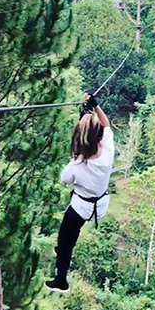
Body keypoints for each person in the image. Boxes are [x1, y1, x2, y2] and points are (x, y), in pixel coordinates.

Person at [45, 94, 113, 293]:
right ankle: (62, 252)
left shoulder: (77, 164)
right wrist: (95, 106)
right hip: (101, 204)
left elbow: (65, 179)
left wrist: (75, 155)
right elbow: (106, 124)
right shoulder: (108, 149)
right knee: (67, 236)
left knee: (65, 241)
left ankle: (61, 280)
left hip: (81, 208)